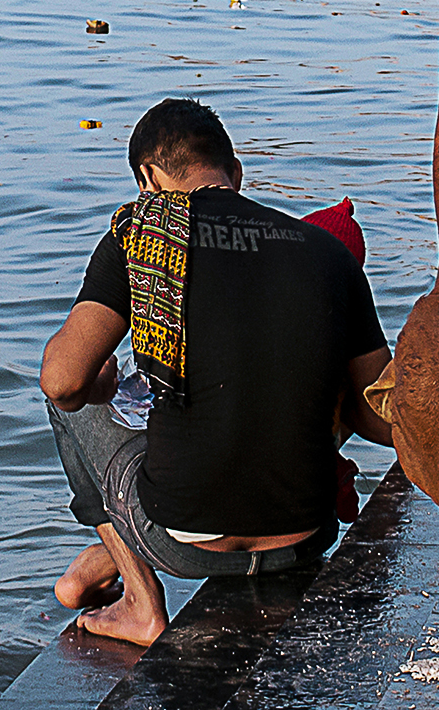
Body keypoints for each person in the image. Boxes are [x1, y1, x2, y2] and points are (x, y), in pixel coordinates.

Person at [39, 99, 392, 646]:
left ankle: (139, 603)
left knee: (68, 399)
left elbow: (63, 381)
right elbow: (381, 419)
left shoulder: (138, 238)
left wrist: (102, 384)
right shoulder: (328, 251)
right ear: (236, 171)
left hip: (185, 543)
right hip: (306, 537)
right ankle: (102, 558)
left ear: (147, 180)